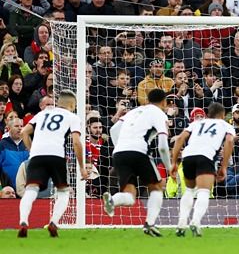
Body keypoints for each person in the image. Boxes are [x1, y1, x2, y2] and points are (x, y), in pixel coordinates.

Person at [103, 89, 173, 237]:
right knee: (157, 187)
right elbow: (162, 145)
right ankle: (150, 224)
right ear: (163, 102)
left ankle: (112, 199)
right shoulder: (159, 113)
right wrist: (169, 167)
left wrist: (120, 147)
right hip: (139, 152)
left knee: (130, 196)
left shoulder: (134, 111)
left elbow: (114, 129)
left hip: (120, 153)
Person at [17, 91, 87, 238]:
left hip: (37, 156)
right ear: (72, 104)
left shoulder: (42, 114)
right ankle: (53, 222)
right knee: (63, 191)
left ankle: (23, 221)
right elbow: (76, 142)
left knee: (31, 190)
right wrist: (82, 167)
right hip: (56, 156)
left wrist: (32, 151)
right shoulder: (72, 117)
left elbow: (24, 132)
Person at [169, 102, 234, 237]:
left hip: (188, 157)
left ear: (208, 114)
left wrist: (173, 162)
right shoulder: (225, 125)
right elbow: (229, 141)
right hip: (205, 156)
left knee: (190, 190)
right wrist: (224, 167)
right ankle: (195, 221)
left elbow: (180, 138)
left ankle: (181, 223)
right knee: (203, 191)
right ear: (222, 115)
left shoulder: (196, 123)